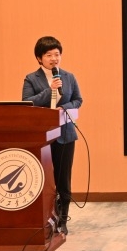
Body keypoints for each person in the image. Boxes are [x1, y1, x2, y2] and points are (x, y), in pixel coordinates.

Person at [21, 36, 83, 236]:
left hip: (65, 134)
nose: (54, 59)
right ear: (39, 58)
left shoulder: (69, 76)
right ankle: (46, 218)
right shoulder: (31, 79)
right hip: (42, 137)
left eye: (57, 54)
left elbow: (78, 100)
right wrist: (50, 90)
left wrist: (64, 107)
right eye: (49, 55)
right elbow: (27, 103)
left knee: (63, 179)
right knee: (45, 180)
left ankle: (63, 220)